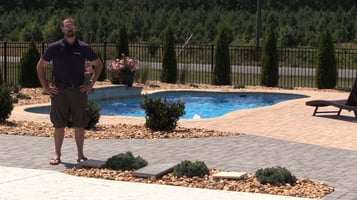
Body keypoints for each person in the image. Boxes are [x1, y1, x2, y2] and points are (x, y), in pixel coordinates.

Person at [36, 17, 103, 165]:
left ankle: (80, 154)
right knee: (59, 124)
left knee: (80, 124)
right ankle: (57, 154)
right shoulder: (55, 47)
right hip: (59, 91)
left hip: (79, 91)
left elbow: (98, 65)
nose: (69, 28)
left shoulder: (83, 47)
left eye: (71, 26)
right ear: (62, 29)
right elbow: (40, 66)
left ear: (76, 28)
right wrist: (46, 86)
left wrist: (91, 83)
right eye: (66, 26)